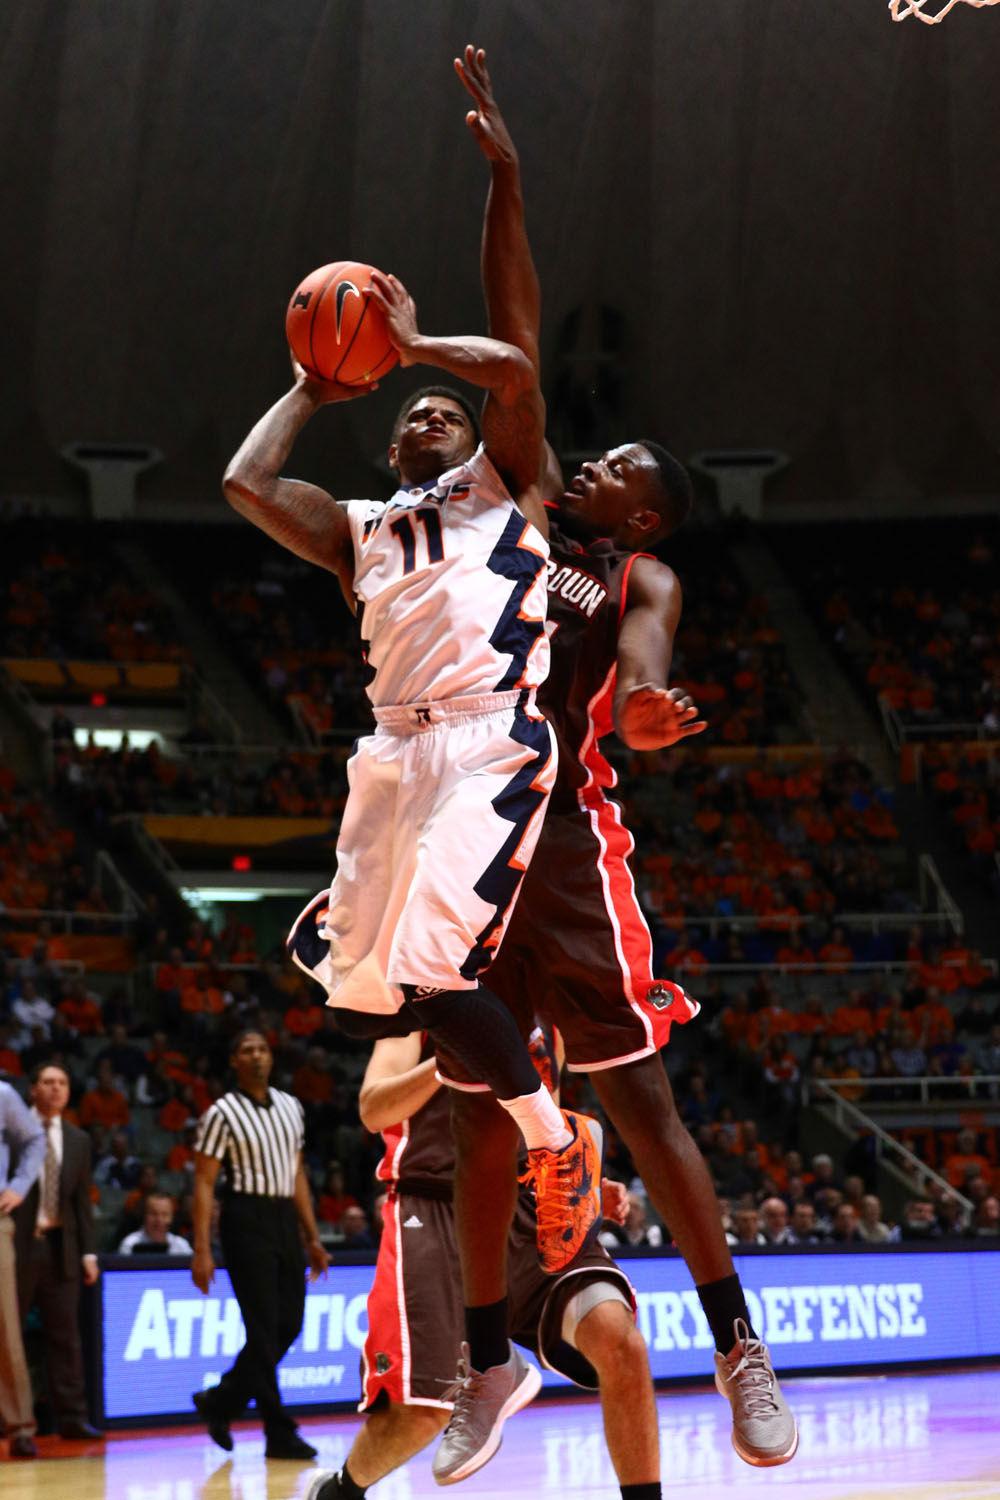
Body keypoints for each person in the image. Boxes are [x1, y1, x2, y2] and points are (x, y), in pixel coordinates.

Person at [435, 44, 797, 1472]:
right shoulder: (524, 504)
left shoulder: (636, 583)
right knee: (477, 1119)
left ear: (646, 515)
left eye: (619, 473)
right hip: (471, 844)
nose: (591, 471)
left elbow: (644, 672)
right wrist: (509, 180)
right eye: (594, 463)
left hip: (570, 840)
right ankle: (480, 1370)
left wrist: (643, 716)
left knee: (639, 1103)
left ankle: (739, 1348)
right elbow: (515, 332)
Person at [248, 261, 602, 1445]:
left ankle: (554, 1147)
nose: (426, 414)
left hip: (487, 743)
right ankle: (546, 1128)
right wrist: (312, 384)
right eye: (408, 412)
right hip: (392, 758)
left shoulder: (503, 486)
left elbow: (513, 369)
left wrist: (411, 343)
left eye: (439, 410)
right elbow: (248, 481)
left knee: (437, 968)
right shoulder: (358, 532)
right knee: (375, 988)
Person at [306, 1029, 659, 1500]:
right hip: (435, 1205)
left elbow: (544, 1120)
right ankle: (341, 1492)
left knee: (620, 1343)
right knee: (425, 1409)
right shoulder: (415, 1007)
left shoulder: (547, 1020)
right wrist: (449, 1058)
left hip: (528, 1202)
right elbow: (373, 1109)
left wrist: (592, 1177)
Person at [189, 1030, 329, 1460]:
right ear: (234, 1060)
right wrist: (201, 1248)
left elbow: (298, 1175)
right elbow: (204, 1180)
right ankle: (278, 1431)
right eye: (246, 1049)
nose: (256, 1056)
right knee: (264, 1329)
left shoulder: (291, 1107)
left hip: (284, 1216)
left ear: (272, 1057)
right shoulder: (222, 1113)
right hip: (244, 1218)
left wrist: (312, 1236)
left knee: (290, 1325)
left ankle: (223, 1400)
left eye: (262, 1049)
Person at [14, 1063, 101, 1442]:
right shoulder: (12, 1132)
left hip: (60, 1244)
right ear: (33, 1089)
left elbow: (81, 1203)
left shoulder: (79, 1139)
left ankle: (72, 1417)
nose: (55, 1089)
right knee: (8, 1336)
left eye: (62, 1082)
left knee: (65, 1335)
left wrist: (89, 1253)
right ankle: (13, 1422)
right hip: (16, 1243)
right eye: (47, 1082)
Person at [0, 1078, 45, 1459]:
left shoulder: (2, 1095)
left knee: (5, 1327)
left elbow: (34, 1141)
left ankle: (19, 1426)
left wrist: (18, 1185)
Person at [117, 1192, 192, 1255]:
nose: (159, 1220)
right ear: (144, 1216)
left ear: (171, 1218)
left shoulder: (181, 1245)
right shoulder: (130, 1244)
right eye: (154, 1214)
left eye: (165, 1214)